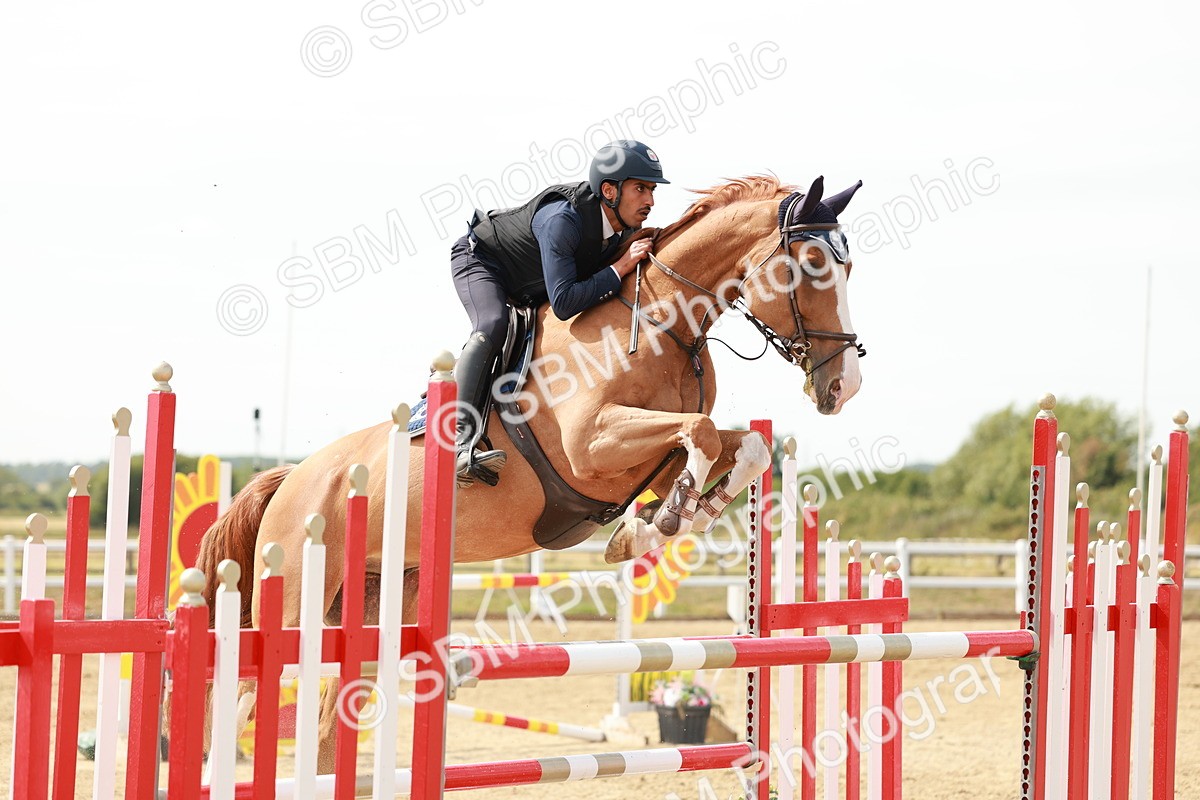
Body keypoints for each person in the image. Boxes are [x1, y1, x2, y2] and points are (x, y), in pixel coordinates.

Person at [450, 140, 670, 486]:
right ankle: (458, 443)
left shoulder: (623, 229)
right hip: (483, 262)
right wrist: (620, 267)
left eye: (652, 190)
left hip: (534, 284)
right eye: (640, 188)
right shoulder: (563, 219)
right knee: (493, 323)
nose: (650, 201)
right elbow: (565, 303)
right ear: (609, 190)